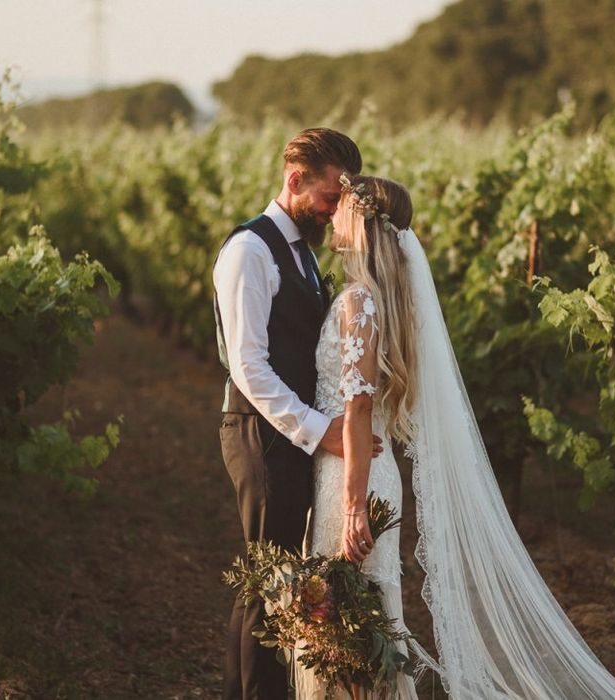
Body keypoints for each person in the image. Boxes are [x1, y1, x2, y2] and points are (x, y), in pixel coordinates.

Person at [295, 174, 615, 699]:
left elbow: (359, 405)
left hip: (351, 477)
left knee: (346, 633)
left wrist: (351, 507)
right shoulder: (378, 300)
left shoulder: (358, 302)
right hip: (362, 470)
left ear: (361, 222)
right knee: (355, 627)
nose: (333, 214)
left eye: (342, 206)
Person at [214, 128, 382, 699]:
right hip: (261, 433)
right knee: (270, 584)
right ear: (295, 181)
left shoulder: (301, 254)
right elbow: (248, 367)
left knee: (279, 580)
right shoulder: (249, 251)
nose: (337, 209)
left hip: (292, 435)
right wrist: (321, 431)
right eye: (332, 196)